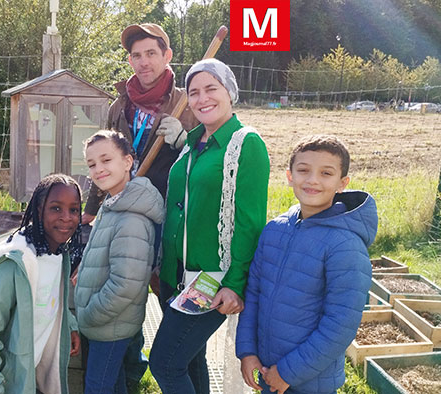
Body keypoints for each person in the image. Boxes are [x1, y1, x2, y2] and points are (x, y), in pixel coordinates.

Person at [81, 22, 198, 389]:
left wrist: (184, 139)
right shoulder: (122, 104)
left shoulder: (187, 101)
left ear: (167, 56)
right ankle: (131, 373)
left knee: (172, 308)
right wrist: (91, 208)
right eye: (136, 55)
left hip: (169, 218)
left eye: (151, 53)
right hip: (125, 213)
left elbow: (210, 160)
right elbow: (103, 159)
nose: (143, 62)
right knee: (123, 297)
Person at [149, 58, 270, 394]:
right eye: (194, 92)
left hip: (210, 281)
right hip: (175, 276)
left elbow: (250, 222)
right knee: (189, 361)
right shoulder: (191, 144)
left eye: (211, 89)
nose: (202, 98)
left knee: (164, 364)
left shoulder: (246, 144)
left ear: (230, 92)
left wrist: (235, 283)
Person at [236, 135, 378, 394]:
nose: (312, 180)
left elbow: (340, 324)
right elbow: (254, 294)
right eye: (303, 170)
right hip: (269, 372)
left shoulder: (345, 246)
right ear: (290, 176)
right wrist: (247, 350)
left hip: (311, 382)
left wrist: (289, 372)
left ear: (342, 183)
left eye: (326, 173)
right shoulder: (273, 230)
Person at [0, 173, 84, 394]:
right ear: (38, 209)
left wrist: (69, 325)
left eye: (74, 209)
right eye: (56, 208)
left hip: (24, 379)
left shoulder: (58, 254)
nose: (66, 217)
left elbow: (50, 295)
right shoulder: (14, 263)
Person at [74, 129, 164, 393]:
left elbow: (126, 284)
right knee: (114, 385)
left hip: (108, 325)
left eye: (106, 160)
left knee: (98, 387)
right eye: (92, 164)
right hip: (109, 323)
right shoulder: (115, 203)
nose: (98, 169)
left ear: (127, 162)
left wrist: (89, 315)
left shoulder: (132, 218)